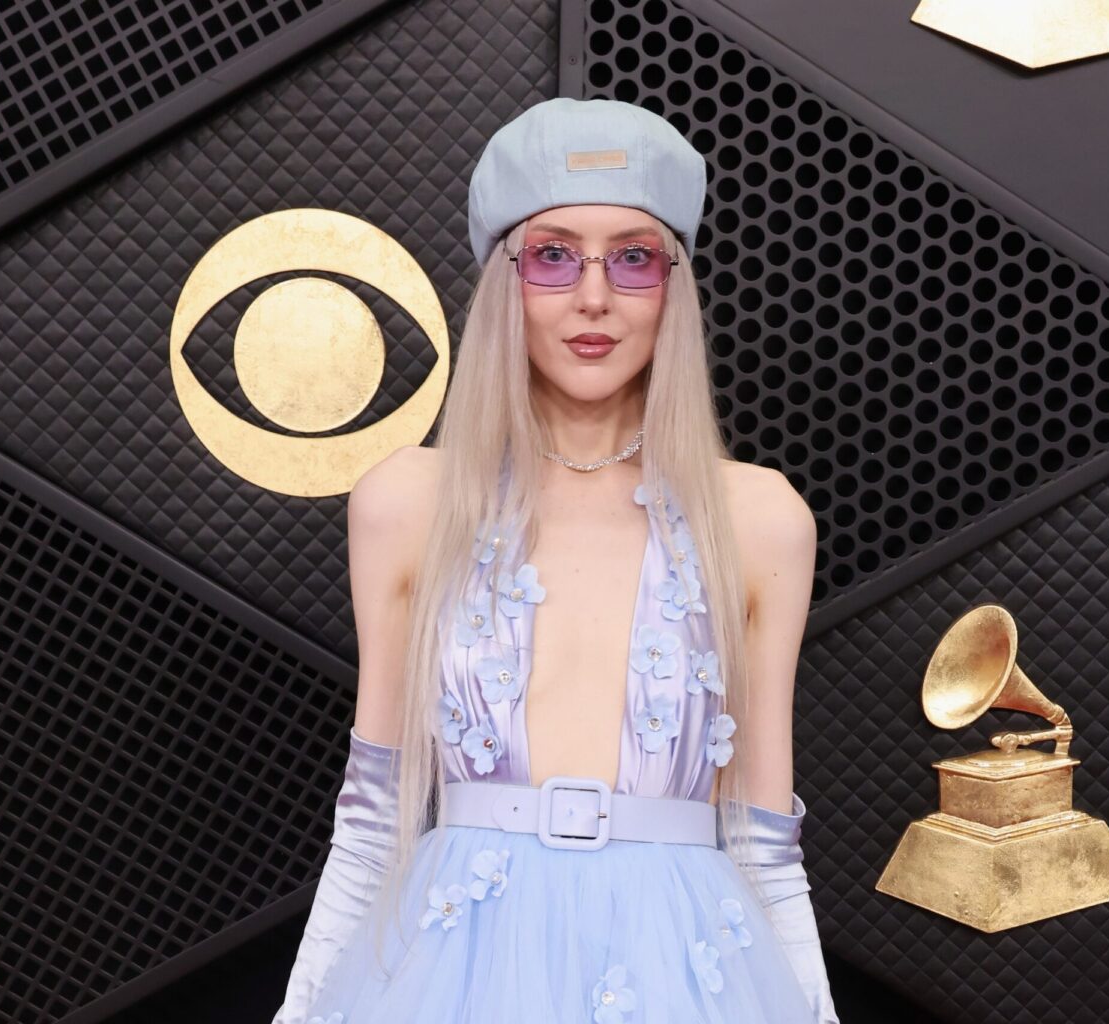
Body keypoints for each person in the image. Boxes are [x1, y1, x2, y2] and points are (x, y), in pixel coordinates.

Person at [271, 96, 841, 1023]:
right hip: (455, 971)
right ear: (505, 279)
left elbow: (766, 841)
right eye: (551, 255)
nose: (593, 296)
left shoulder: (761, 517)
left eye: (632, 257)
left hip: (685, 973)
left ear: (673, 284)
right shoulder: (409, 502)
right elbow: (372, 821)